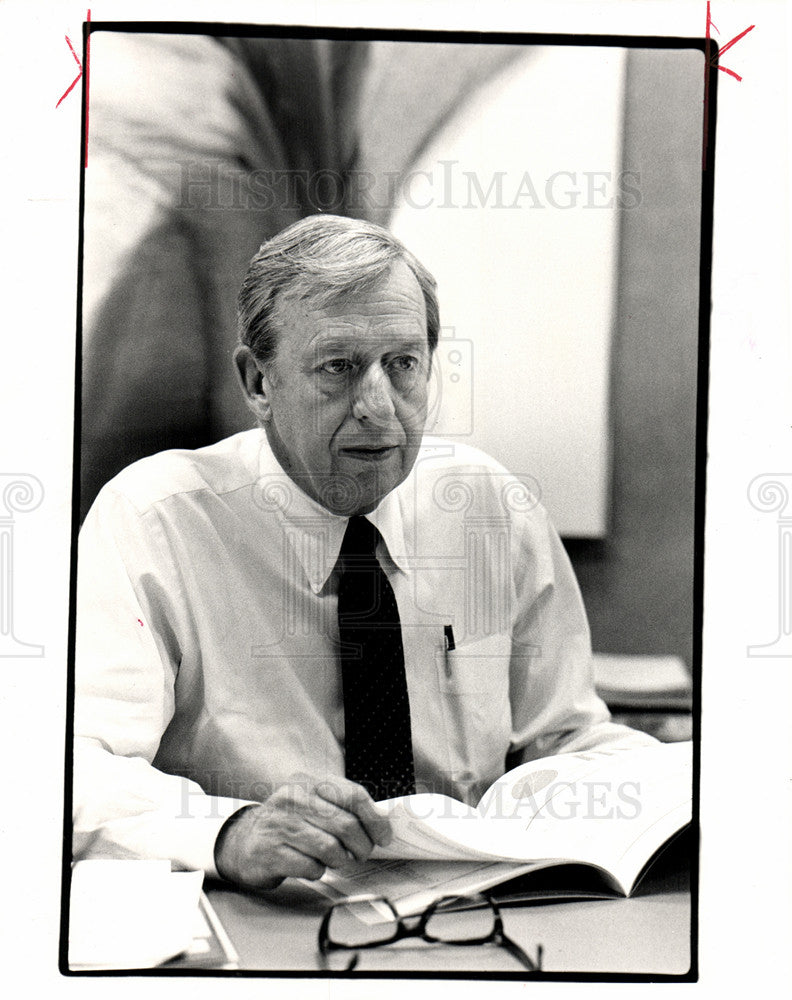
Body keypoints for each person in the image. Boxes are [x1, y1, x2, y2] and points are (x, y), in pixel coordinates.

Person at [73, 214, 653, 892]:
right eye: (338, 368)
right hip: (266, 915)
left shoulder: (489, 509)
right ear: (258, 383)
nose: (377, 406)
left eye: (402, 364)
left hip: (474, 913)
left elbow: (567, 740)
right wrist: (227, 833)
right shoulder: (155, 519)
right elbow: (73, 768)